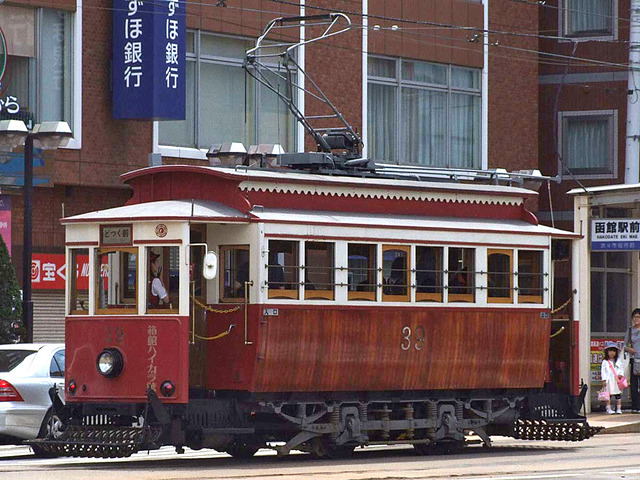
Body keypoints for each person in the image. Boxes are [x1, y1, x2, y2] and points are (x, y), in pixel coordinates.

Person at [601, 341, 625, 414]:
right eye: (610, 351)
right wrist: (604, 380)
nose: (612, 353)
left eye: (614, 351)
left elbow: (621, 368)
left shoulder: (618, 361)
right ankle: (608, 409)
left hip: (616, 381)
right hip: (609, 381)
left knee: (618, 395)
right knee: (608, 395)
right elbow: (603, 371)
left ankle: (619, 409)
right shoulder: (605, 361)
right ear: (607, 352)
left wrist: (621, 375)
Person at [624, 308, 640, 413]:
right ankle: (635, 406)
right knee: (634, 385)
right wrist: (629, 349)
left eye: (638, 317)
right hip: (634, 360)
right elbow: (624, 345)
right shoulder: (630, 331)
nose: (636, 319)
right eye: (634, 317)